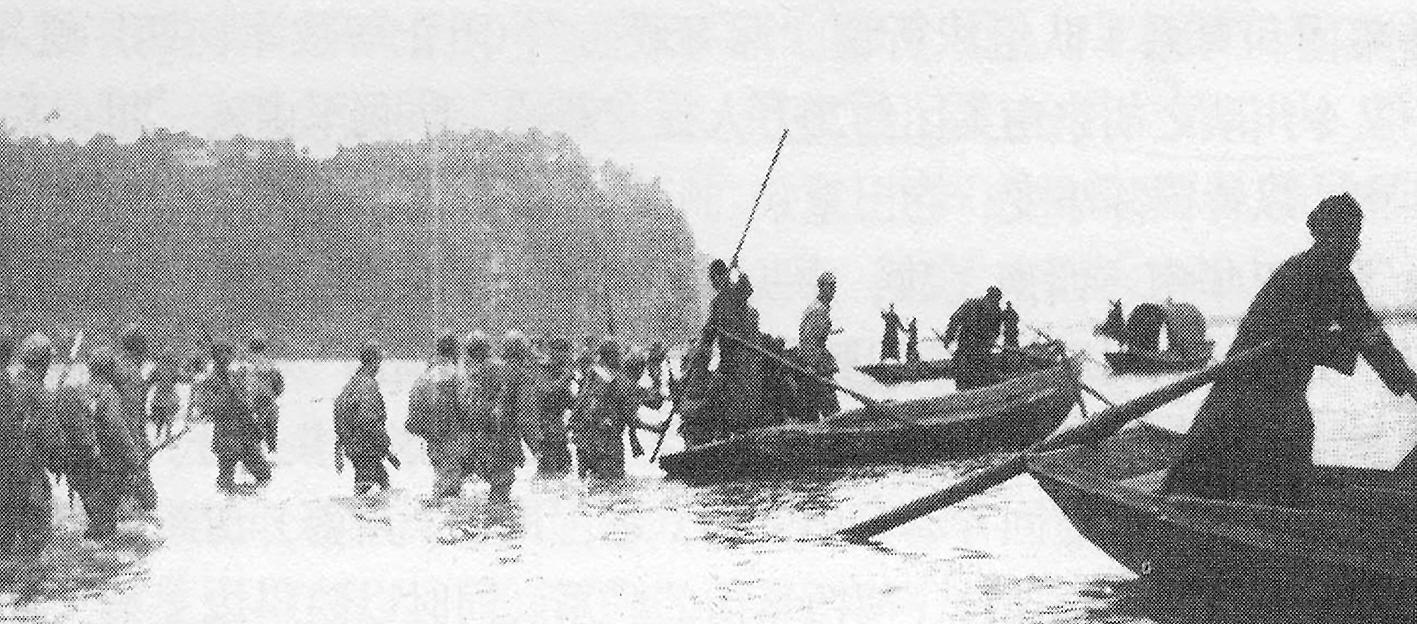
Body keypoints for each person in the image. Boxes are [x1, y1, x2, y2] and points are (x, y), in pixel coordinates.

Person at [1164, 193, 1416, 507]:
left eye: (1355, 237)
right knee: (1208, 468)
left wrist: (1409, 383)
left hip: (1286, 393)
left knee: (1289, 457)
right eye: (1347, 237)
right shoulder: (1294, 274)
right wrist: (1341, 345)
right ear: (1325, 236)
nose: (1354, 246)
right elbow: (1290, 341)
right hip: (1245, 388)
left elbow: (1371, 337)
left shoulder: (1341, 281)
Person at [69, 347, 142, 539]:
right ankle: (103, 553)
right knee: (106, 523)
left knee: (94, 518)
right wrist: (134, 456)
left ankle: (89, 549)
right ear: (109, 369)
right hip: (105, 465)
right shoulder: (108, 392)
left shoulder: (79, 390)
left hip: (79, 464)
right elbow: (116, 427)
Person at [571, 340, 665, 480]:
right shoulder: (619, 382)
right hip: (607, 444)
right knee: (612, 485)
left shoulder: (592, 376)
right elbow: (634, 416)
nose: (621, 360)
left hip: (583, 443)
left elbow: (578, 408)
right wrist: (655, 428)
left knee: (587, 485)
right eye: (619, 356)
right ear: (612, 357)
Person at [700, 259, 765, 435]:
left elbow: (747, 287)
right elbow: (709, 333)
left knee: (743, 395)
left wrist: (737, 268)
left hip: (741, 357)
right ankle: (732, 430)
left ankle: (742, 430)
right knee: (731, 395)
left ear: (720, 277)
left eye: (714, 279)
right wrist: (703, 347)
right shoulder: (718, 303)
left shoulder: (735, 294)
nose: (713, 284)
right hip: (730, 359)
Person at [195, 340, 271, 491]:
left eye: (227, 354)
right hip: (226, 434)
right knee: (226, 478)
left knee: (264, 475)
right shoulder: (210, 381)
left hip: (245, 433)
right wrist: (225, 398)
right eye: (220, 355)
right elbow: (206, 408)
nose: (224, 358)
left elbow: (249, 402)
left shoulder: (235, 377)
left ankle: (247, 498)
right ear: (215, 358)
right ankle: (231, 500)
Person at [408, 333, 469, 500]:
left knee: (440, 479)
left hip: (432, 442)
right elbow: (466, 409)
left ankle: (436, 510)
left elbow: (413, 418)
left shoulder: (423, 378)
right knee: (451, 488)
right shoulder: (457, 377)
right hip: (454, 440)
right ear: (455, 352)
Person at [333, 342, 394, 495]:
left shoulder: (351, 384)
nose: (379, 367)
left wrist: (339, 450)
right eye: (379, 361)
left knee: (375, 486)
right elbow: (369, 421)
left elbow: (339, 414)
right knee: (372, 489)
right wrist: (386, 446)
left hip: (354, 449)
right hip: (367, 450)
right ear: (374, 361)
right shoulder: (368, 384)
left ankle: (362, 507)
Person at [116, 325, 159, 511]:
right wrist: (139, 448)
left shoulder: (116, 366)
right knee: (147, 503)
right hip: (129, 447)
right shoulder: (132, 374)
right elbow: (132, 417)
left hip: (114, 446)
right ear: (141, 349)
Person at [797, 271, 841, 421]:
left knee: (812, 409)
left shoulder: (821, 308)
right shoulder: (817, 310)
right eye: (830, 287)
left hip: (816, 363)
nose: (833, 291)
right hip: (815, 365)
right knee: (831, 411)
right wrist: (811, 365)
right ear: (821, 288)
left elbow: (817, 334)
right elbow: (808, 339)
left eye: (834, 287)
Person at [942, 286, 1005, 391]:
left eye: (997, 300)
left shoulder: (996, 311)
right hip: (968, 348)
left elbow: (996, 331)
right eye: (995, 299)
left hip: (979, 350)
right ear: (990, 296)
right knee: (967, 377)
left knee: (977, 378)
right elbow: (955, 319)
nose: (996, 302)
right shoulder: (973, 304)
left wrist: (948, 338)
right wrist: (949, 338)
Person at [530, 338, 576, 477]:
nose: (566, 359)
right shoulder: (541, 370)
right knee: (547, 475)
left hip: (559, 433)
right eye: (564, 354)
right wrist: (565, 379)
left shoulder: (560, 373)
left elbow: (571, 403)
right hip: (544, 433)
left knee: (565, 473)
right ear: (553, 353)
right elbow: (547, 392)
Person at [242, 332, 285, 454]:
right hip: (268, 401)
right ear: (264, 348)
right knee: (271, 432)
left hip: (251, 402)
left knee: (252, 433)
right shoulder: (271, 365)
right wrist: (273, 396)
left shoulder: (246, 365)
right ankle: (271, 452)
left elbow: (242, 386)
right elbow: (280, 386)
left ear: (250, 347)